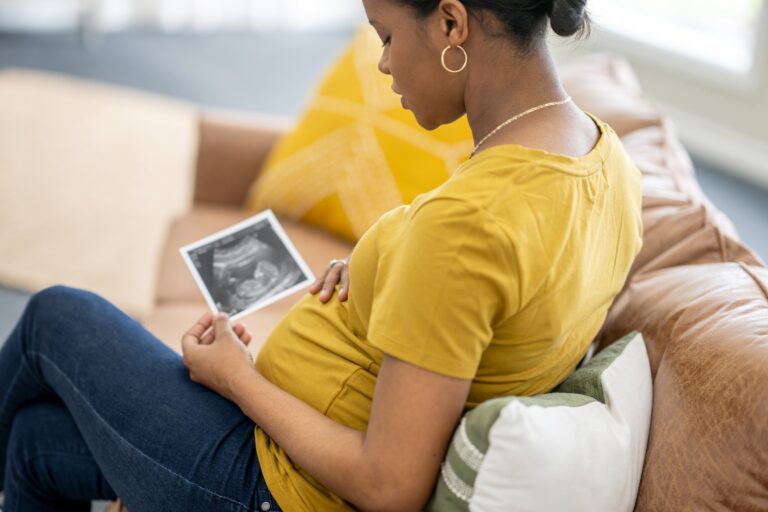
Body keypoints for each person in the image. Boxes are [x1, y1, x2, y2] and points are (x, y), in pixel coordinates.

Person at [0, 0, 643, 510]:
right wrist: (383, 270)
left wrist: (236, 378)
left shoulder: (466, 228)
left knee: (56, 318)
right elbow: (491, 297)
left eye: (386, 36)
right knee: (32, 444)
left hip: (272, 488)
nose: (384, 64)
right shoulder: (606, 162)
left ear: (451, 22)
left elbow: (388, 487)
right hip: (283, 456)